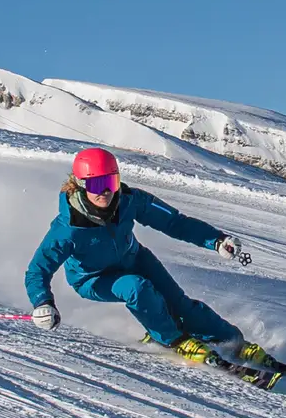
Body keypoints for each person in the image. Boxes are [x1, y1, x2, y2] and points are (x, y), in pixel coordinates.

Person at [23, 147, 261, 363]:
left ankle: (230, 340)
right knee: (137, 288)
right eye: (96, 185)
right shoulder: (67, 229)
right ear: (81, 186)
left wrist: (216, 241)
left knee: (179, 303)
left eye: (111, 182)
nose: (105, 192)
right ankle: (173, 340)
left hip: (134, 259)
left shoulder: (129, 201)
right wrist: (42, 303)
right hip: (93, 279)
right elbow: (38, 270)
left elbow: (174, 222)